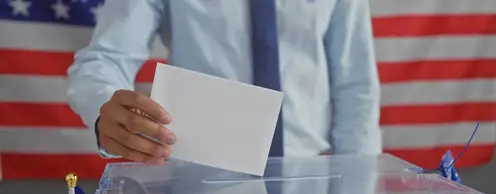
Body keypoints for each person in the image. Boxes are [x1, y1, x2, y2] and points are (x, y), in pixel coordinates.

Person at [66, 0, 382, 163]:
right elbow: (104, 60)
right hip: (200, 188)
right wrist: (104, 109)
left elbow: (355, 84)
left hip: (314, 184)